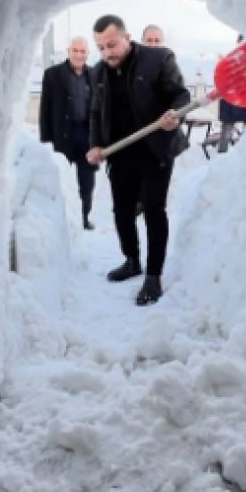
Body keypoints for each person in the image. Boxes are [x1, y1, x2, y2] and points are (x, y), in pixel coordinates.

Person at [86, 15, 190, 305]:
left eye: (112, 45)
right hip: (120, 153)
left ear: (127, 38)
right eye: (101, 47)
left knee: (154, 210)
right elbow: (96, 112)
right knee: (122, 211)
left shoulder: (158, 59)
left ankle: (153, 276)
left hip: (155, 149)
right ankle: (132, 260)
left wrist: (174, 115)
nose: (107, 53)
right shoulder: (98, 72)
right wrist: (95, 145)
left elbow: (181, 95)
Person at [39, 37, 100, 229]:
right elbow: (45, 110)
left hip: (87, 137)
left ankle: (83, 218)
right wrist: (46, 141)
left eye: (83, 51)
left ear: (87, 54)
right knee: (59, 181)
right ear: (68, 51)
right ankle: (60, 221)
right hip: (62, 135)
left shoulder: (95, 75)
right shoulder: (52, 75)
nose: (79, 55)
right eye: (75, 50)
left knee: (87, 183)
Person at [216, 34, 246, 153]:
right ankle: (226, 156)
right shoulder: (233, 60)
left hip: (241, 102)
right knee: (230, 133)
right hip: (233, 102)